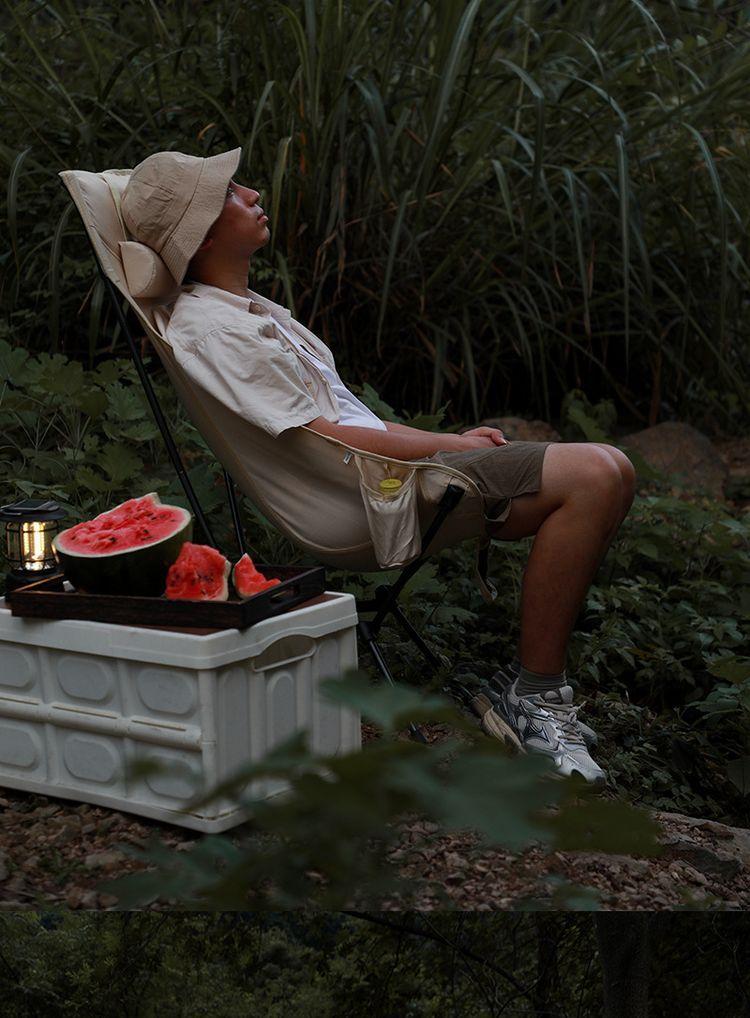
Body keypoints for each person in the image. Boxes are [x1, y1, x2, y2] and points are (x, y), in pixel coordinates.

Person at [121, 147, 637, 787]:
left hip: (380, 474)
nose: (253, 193)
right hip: (362, 498)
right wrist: (448, 451)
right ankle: (533, 697)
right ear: (199, 234)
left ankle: (532, 690)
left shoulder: (250, 312)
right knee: (596, 475)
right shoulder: (215, 329)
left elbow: (351, 420)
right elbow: (326, 439)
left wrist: (448, 441)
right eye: (229, 191)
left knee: (612, 471)